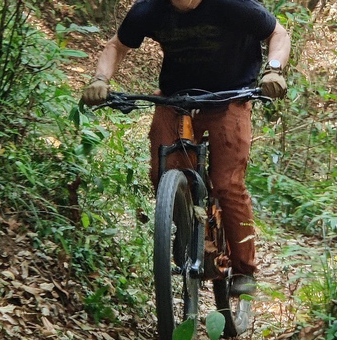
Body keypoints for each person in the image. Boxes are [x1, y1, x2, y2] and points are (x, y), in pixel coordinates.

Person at [81, 0, 291, 296]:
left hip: (230, 96)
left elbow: (278, 34)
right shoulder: (149, 10)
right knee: (163, 172)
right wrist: (101, 79)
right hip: (176, 97)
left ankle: (244, 269)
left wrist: (274, 70)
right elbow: (117, 45)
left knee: (227, 184)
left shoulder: (233, 6)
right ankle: (189, 235)